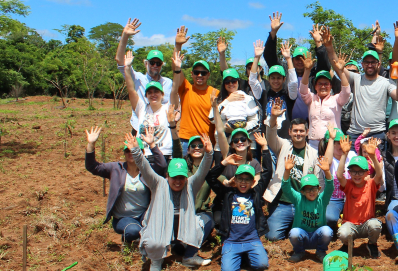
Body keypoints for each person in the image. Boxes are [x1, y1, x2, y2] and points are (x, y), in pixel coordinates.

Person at [126, 133, 214, 271]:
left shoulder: (190, 184)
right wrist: (137, 151)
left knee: (205, 220)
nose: (178, 181)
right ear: (167, 176)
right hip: (162, 225)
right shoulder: (158, 183)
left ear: (186, 177)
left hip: (182, 225)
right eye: (174, 177)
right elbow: (145, 168)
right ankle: (156, 260)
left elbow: (202, 171)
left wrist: (209, 154)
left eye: (181, 177)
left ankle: (189, 256)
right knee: (153, 240)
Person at [85, 127, 166, 244]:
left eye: (134, 150)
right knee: (133, 231)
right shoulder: (115, 168)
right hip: (122, 218)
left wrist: (152, 144)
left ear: (141, 152)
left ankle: (142, 235)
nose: (130, 153)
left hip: (144, 216)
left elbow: (162, 166)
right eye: (127, 150)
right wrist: (91, 144)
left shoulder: (147, 170)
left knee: (158, 228)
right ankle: (130, 238)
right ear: (124, 153)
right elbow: (92, 166)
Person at [206, 132, 273, 271]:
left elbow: (267, 172)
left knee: (262, 265)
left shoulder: (256, 193)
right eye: (240, 179)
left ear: (253, 181)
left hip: (252, 240)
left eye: (247, 179)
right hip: (231, 241)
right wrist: (223, 162)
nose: (243, 182)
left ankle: (245, 255)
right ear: (234, 180)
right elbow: (210, 177)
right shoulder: (228, 193)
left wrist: (265, 148)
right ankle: (238, 255)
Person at [263, 103, 325, 241]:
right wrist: (273, 117)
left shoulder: (314, 154)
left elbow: (318, 180)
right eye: (295, 131)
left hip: (303, 203)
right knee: (272, 237)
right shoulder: (283, 145)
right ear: (290, 132)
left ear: (307, 132)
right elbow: (271, 134)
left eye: (301, 131)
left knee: (311, 234)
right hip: (282, 203)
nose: (298, 133)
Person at [339, 31, 398, 143]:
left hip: (377, 133)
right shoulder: (356, 78)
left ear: (379, 64)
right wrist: (328, 47)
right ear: (362, 64)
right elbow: (338, 68)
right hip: (355, 133)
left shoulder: (387, 81)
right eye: (366, 62)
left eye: (373, 62)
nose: (369, 65)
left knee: (376, 161)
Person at [115, 18, 173, 135]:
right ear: (146, 63)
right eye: (152, 62)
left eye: (158, 63)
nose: (155, 66)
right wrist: (125, 36)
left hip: (160, 131)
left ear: (162, 65)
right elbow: (120, 60)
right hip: (139, 129)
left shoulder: (167, 83)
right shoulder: (137, 78)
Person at [299, 28, 351, 148]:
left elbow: (346, 91)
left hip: (332, 143)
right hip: (313, 143)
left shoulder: (337, 100)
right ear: (315, 86)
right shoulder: (311, 99)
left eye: (326, 83)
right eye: (320, 83)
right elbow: (303, 90)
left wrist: (341, 72)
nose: (323, 86)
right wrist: (307, 70)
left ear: (331, 86)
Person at [172, 28, 220, 153]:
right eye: (196, 72)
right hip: (186, 142)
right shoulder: (186, 87)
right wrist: (178, 45)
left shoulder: (215, 92)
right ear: (192, 74)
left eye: (203, 73)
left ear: (208, 75)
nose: (200, 75)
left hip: (207, 142)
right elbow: (176, 67)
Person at [283, 151, 336, 262]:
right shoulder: (298, 198)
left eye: (314, 189)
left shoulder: (322, 199)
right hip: (303, 235)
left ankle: (321, 251)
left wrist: (326, 171)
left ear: (319, 189)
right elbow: (286, 188)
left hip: (318, 235)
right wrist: (287, 170)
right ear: (302, 191)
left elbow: (330, 187)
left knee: (327, 231)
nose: (311, 192)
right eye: (308, 189)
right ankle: (299, 252)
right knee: (294, 233)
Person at [336, 139, 385, 257]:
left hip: (366, 224)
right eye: (353, 172)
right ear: (350, 173)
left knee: (376, 225)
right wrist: (344, 154)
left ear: (367, 172)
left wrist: (373, 156)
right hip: (351, 225)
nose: (357, 175)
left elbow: (379, 174)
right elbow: (339, 175)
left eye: (360, 172)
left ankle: (372, 244)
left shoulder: (371, 184)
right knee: (343, 233)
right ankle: (348, 244)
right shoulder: (348, 185)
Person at [122, 51, 174, 161]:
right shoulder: (142, 108)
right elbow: (131, 90)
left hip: (161, 154)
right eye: (150, 93)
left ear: (162, 94)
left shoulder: (166, 109)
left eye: (156, 92)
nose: (153, 95)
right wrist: (127, 67)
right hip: (143, 153)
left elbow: (175, 91)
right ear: (146, 95)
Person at [256, 12, 301, 139]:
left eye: (278, 78)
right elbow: (269, 56)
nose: (276, 80)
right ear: (269, 79)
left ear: (283, 79)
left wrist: (288, 59)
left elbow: (293, 84)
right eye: (273, 78)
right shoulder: (265, 94)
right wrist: (273, 33)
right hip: (269, 136)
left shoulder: (290, 94)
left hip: (291, 134)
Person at [214, 68, 260, 138]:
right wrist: (227, 100)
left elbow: (255, 123)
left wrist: (236, 130)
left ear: (238, 81)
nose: (231, 84)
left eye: (233, 81)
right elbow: (212, 118)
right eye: (227, 82)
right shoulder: (219, 100)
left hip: (244, 142)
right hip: (223, 143)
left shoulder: (247, 98)